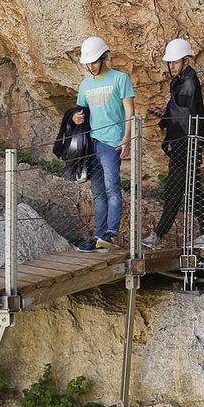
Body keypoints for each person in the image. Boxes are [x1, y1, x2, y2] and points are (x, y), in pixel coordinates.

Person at [144, 38, 204, 251]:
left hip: (186, 144)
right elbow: (179, 108)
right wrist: (166, 113)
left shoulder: (188, 82)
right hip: (186, 144)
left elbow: (181, 112)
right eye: (170, 62)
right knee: (189, 189)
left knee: (179, 190)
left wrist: (166, 116)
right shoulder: (185, 80)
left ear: (185, 61)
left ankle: (159, 236)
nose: (171, 66)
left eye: (175, 62)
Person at [75, 36, 137, 250]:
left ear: (103, 58)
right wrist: (75, 118)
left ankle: (111, 233)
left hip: (112, 142)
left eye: (94, 61)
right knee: (98, 193)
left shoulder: (121, 79)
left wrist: (126, 138)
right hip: (92, 143)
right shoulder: (85, 85)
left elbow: (130, 110)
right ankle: (99, 237)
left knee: (112, 189)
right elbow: (80, 112)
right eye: (88, 63)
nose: (91, 66)